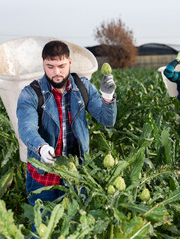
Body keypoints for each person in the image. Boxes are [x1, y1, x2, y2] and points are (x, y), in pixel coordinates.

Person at [16, 40, 117, 208]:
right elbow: (26, 128)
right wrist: (41, 147)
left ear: (70, 63)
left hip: (75, 173)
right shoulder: (31, 93)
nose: (56, 72)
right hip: (44, 175)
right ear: (43, 65)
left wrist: (107, 97)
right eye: (50, 66)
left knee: (76, 226)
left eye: (61, 66)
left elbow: (107, 120)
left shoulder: (83, 87)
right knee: (44, 227)